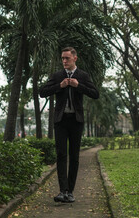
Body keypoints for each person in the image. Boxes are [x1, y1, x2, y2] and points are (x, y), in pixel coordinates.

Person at [39, 47, 99, 203]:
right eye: (62, 58)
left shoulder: (83, 75)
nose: (64, 61)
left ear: (75, 59)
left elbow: (95, 94)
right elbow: (42, 92)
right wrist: (61, 85)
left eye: (67, 58)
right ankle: (62, 191)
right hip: (61, 120)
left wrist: (78, 85)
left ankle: (70, 192)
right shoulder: (58, 76)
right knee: (61, 155)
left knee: (74, 156)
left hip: (76, 120)